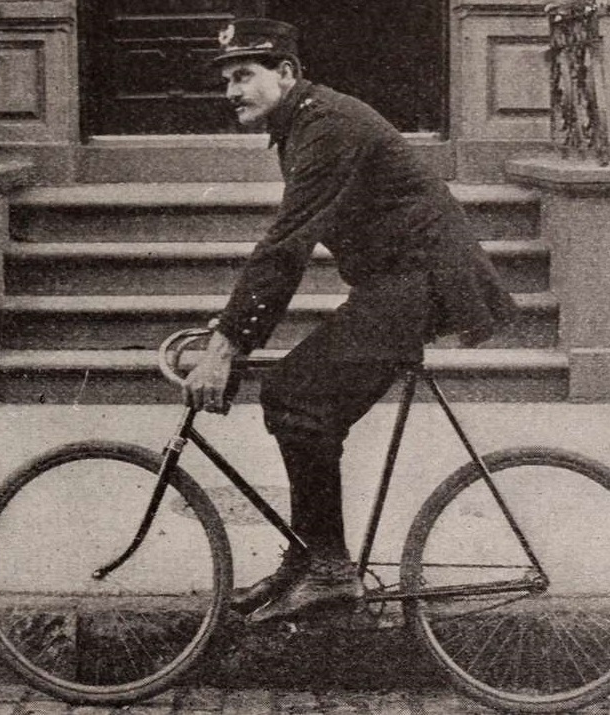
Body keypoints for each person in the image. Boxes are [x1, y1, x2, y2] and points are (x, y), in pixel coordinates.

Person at [182, 18, 518, 624]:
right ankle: (312, 559)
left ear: (286, 73)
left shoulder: (326, 127)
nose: (232, 90)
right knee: (294, 396)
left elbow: (286, 247)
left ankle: (331, 572)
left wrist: (225, 343)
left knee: (297, 398)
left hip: (420, 283)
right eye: (226, 78)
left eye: (246, 75)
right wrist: (229, 335)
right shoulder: (303, 124)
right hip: (398, 284)